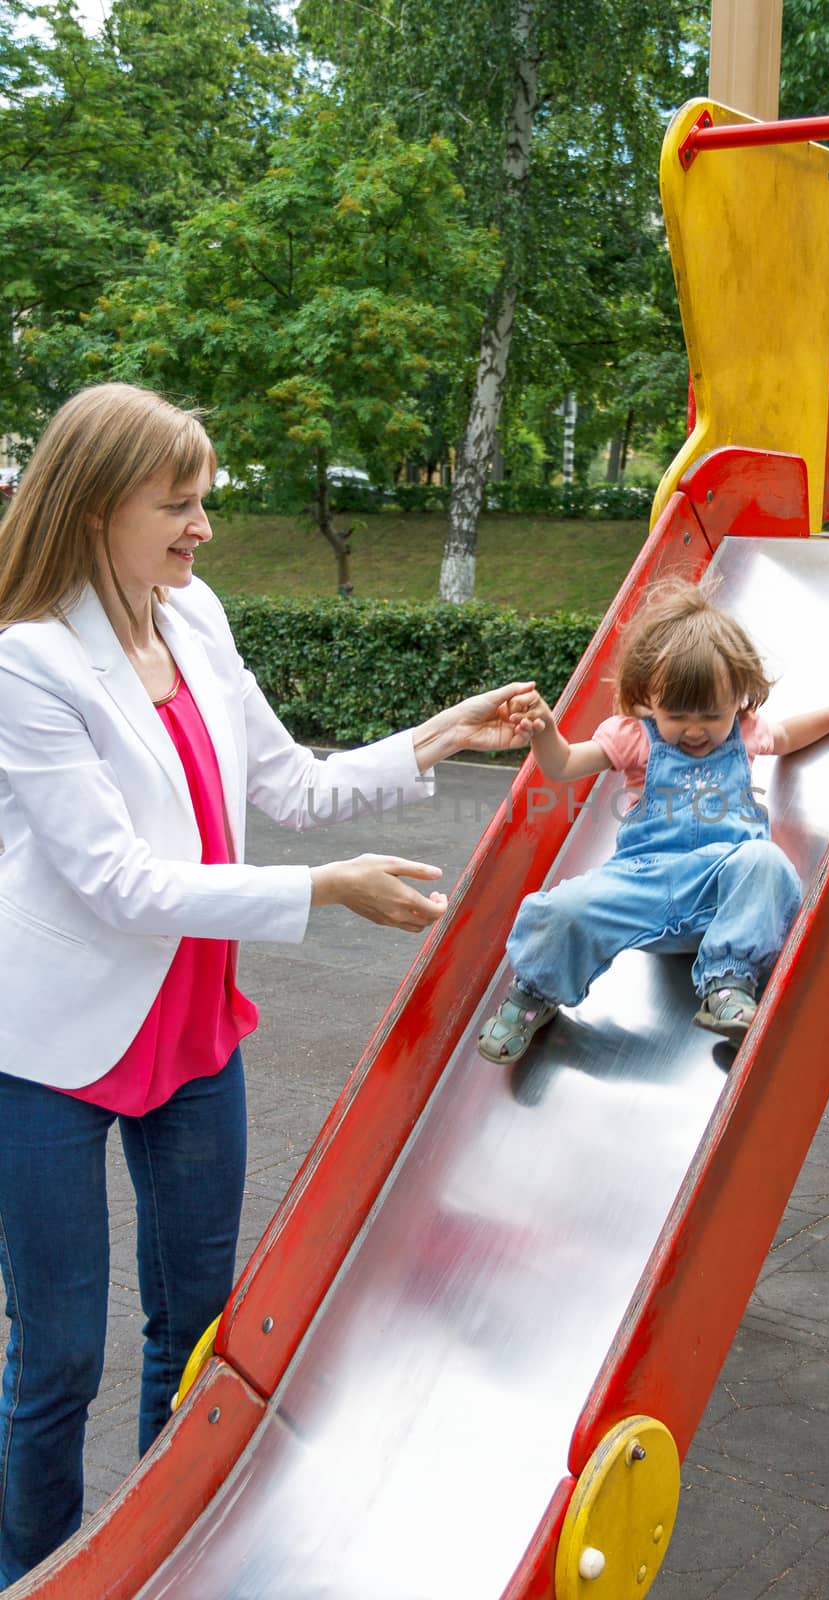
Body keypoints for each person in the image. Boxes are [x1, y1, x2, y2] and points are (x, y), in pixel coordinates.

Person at [0, 382, 535, 1589]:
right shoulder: (30, 665)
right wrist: (324, 891)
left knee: (194, 1337)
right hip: (44, 1048)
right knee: (57, 1360)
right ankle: (32, 1572)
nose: (201, 528)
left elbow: (285, 786)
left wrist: (437, 737)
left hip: (188, 1030)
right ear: (94, 511)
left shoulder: (194, 621)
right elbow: (121, 883)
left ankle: (156, 1558)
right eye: (177, 504)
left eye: (203, 502)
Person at [477, 580, 829, 1063]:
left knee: (765, 861)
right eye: (677, 716)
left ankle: (728, 984)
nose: (695, 730)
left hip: (719, 896)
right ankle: (534, 993)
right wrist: (546, 730)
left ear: (739, 699)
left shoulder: (746, 732)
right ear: (647, 702)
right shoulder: (635, 737)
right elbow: (563, 765)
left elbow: (790, 734)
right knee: (566, 905)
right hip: (642, 886)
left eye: (712, 716)